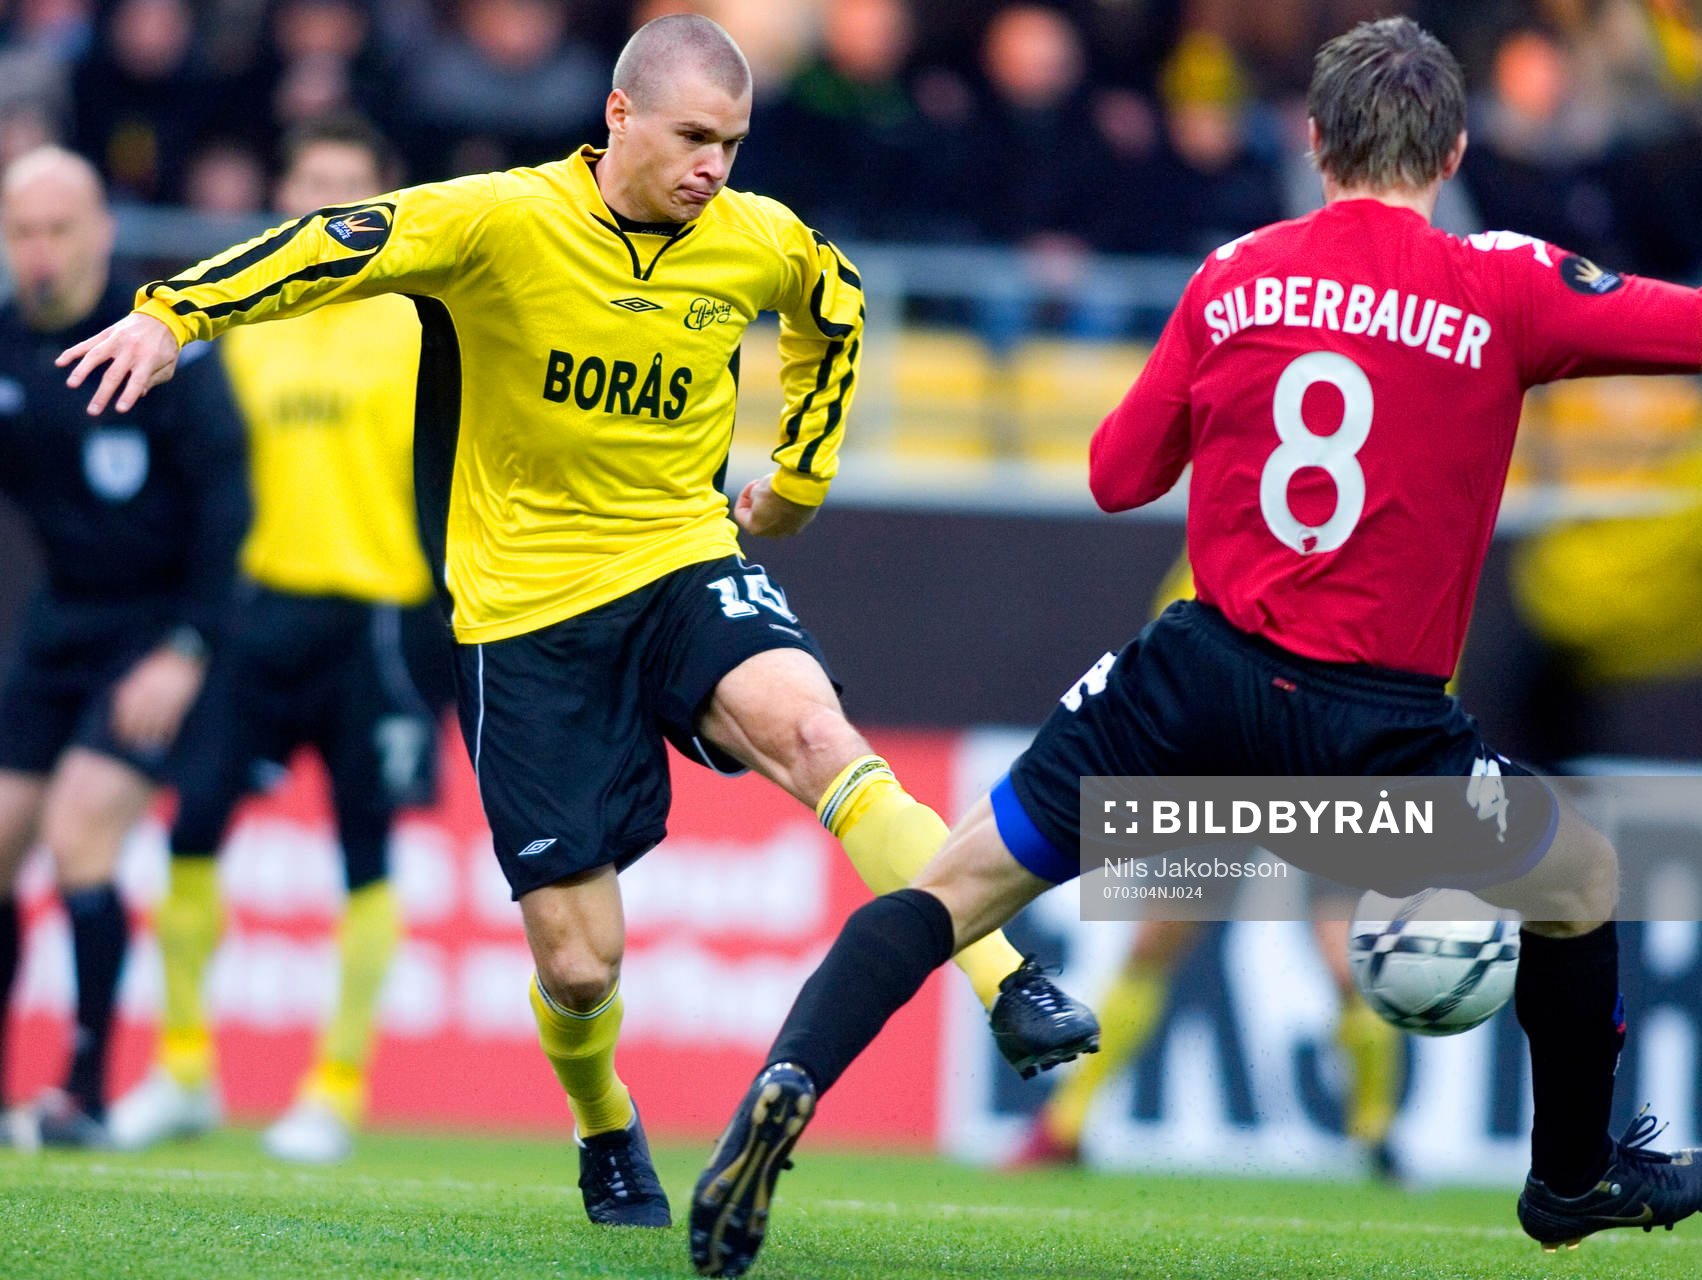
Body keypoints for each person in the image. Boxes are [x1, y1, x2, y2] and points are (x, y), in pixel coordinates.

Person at [685, 17, 1702, 1276]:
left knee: (950, 888)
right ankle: (1571, 1175)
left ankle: (789, 1079)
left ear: (1311, 140)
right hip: (1382, 729)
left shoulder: (1235, 274)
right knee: (1576, 886)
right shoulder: (1502, 282)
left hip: (1195, 682)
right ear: (1450, 151)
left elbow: (1114, 472)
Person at [59, 13, 1095, 1226]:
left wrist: (799, 480)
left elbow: (838, 303)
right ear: (619, 117)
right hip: (525, 612)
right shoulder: (499, 220)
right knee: (580, 960)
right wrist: (170, 313)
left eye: (734, 143)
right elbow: (331, 244)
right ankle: (605, 1120)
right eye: (694, 137)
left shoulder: (752, 238)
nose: (715, 166)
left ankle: (1004, 973)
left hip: (679, 554)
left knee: (817, 737)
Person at [106, 114, 448, 1165]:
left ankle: (334, 1090)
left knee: (366, 853)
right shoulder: (236, 317)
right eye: (312, 184)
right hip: (253, 619)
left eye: (351, 188)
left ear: (382, 201)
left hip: (377, 623)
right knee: (191, 828)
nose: (329, 205)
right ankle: (183, 1065)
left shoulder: (424, 320)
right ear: (284, 193)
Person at [0, 146, 247, 1147]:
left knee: (79, 836)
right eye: (23, 231)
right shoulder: (9, 348)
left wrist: (187, 647)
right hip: (63, 623)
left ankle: (86, 1089)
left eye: (61, 228)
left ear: (104, 232)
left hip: (159, 630)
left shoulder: (163, 348)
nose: (42, 250)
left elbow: (232, 513)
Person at [1011, 555, 1405, 1179]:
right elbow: (1174, 630)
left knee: (1346, 961)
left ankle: (1377, 1135)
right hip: (1235, 771)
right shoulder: (1256, 531)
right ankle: (1067, 1125)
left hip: (1320, 770)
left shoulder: (1337, 542)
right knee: (1156, 942)